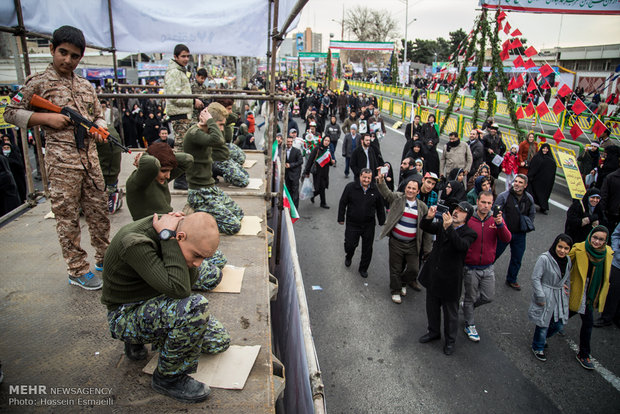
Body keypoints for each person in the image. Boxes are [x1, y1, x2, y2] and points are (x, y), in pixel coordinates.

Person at [4, 25, 110, 290]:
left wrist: (100, 126)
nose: (67, 60)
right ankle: (77, 269)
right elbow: (10, 112)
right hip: (62, 164)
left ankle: (105, 259)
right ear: (52, 49)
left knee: (99, 213)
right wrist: (44, 118)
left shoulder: (86, 85)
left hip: (90, 161)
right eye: (63, 52)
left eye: (74, 56)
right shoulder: (37, 82)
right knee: (68, 218)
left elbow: (97, 113)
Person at [101, 211, 230, 403]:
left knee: (219, 341)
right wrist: (167, 239)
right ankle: (168, 378)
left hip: (151, 297)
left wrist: (172, 242)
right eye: (196, 256)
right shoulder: (137, 243)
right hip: (124, 313)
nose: (197, 263)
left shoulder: (174, 232)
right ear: (180, 236)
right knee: (195, 308)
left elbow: (187, 282)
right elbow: (180, 290)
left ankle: (152, 336)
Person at [418, 202, 477, 355]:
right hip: (434, 275)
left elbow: (461, 246)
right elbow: (425, 226)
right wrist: (429, 217)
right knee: (432, 308)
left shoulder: (469, 233)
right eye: (456, 209)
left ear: (467, 216)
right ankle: (433, 332)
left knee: (451, 314)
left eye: (461, 211)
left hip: (450, 280)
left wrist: (449, 227)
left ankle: (450, 341)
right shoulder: (442, 225)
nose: (456, 212)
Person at [184, 106, 244, 234]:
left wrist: (212, 123)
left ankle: (208, 214)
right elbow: (219, 140)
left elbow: (220, 138)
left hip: (209, 187)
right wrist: (211, 121)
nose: (221, 129)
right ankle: (200, 219)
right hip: (199, 192)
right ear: (208, 121)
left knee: (238, 213)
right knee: (233, 226)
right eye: (220, 125)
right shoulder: (194, 134)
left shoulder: (205, 132)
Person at [377, 169, 432, 303]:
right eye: (409, 188)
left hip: (413, 244)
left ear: (418, 192)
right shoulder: (397, 199)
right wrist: (381, 180)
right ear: (405, 188)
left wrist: (427, 249)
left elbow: (426, 230)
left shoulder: (423, 207)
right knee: (395, 268)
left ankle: (403, 282)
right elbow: (386, 193)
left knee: (413, 269)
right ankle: (395, 290)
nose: (411, 190)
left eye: (414, 189)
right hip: (396, 242)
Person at [462, 191, 511, 342]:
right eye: (483, 202)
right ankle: (469, 324)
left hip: (488, 267)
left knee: (488, 297)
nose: (486, 206)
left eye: (489, 203)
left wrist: (500, 224)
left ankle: (467, 306)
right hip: (470, 267)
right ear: (477, 201)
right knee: (470, 297)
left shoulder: (495, 219)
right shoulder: (469, 217)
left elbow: (507, 238)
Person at [568, 226, 613, 370]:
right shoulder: (578, 249)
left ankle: (583, 353)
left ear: (605, 242)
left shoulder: (607, 254)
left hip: (590, 295)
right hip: (576, 291)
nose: (597, 242)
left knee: (587, 323)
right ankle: (541, 337)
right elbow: (563, 264)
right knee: (563, 316)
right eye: (595, 238)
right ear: (590, 236)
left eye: (601, 240)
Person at [528, 234, 573, 362]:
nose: (562, 251)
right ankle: (538, 346)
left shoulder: (568, 260)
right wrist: (541, 296)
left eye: (566, 248)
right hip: (546, 292)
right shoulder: (544, 258)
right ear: (555, 245)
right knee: (543, 322)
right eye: (560, 247)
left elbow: (567, 277)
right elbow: (536, 278)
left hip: (559, 294)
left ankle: (541, 338)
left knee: (558, 324)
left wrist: (565, 287)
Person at [338, 168, 386, 278]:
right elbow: (343, 202)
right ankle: (349, 256)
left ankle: (363, 268)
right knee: (350, 244)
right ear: (360, 176)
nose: (366, 180)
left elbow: (380, 207)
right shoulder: (350, 187)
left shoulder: (375, 190)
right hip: (352, 223)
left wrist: (382, 221)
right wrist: (341, 218)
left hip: (368, 225)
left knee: (367, 248)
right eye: (364, 177)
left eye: (369, 178)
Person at [494, 174, 536, 290]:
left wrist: (526, 226)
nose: (517, 184)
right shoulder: (504, 196)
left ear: (525, 185)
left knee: (517, 258)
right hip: (504, 232)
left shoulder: (529, 198)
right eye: (515, 181)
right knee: (494, 253)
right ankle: (482, 271)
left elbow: (532, 214)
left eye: (520, 182)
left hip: (520, 234)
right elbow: (495, 211)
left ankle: (512, 279)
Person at [165, 44, 197, 190]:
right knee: (180, 147)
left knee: (183, 145)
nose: (186, 59)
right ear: (176, 57)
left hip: (184, 112)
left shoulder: (180, 71)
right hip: (179, 113)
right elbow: (173, 96)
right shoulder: (174, 72)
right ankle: (179, 178)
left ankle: (181, 177)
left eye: (187, 56)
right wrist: (192, 100)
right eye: (183, 56)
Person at [594, 223, 620, 327]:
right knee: (613, 291)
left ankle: (617, 317)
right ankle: (606, 318)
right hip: (618, 264)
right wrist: (617, 252)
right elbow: (616, 235)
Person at [304, 136, 335, 208]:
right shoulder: (316, 149)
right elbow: (310, 160)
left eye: (328, 141)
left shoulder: (328, 150)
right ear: (323, 140)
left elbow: (329, 162)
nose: (327, 142)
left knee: (322, 187)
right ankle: (321, 201)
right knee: (320, 188)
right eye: (325, 140)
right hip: (317, 172)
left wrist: (332, 162)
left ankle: (318, 199)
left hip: (325, 172)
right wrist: (307, 171)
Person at [527, 143, 556, 215]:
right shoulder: (537, 157)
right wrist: (530, 176)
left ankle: (543, 207)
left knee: (544, 195)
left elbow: (552, 171)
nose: (545, 150)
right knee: (533, 192)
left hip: (545, 182)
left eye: (546, 149)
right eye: (544, 148)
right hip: (536, 180)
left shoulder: (551, 160)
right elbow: (532, 167)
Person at [600, 163, 620, 232]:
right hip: (610, 214)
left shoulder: (610, 177)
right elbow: (604, 196)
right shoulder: (611, 177)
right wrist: (602, 213)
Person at [285, 135, 303, 208]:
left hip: (295, 174)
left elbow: (300, 161)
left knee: (295, 191)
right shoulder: (283, 151)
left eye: (291, 142)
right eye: (288, 142)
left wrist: (290, 165)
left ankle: (295, 209)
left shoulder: (297, 151)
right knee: (288, 191)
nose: (289, 143)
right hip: (287, 175)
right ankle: (288, 206)